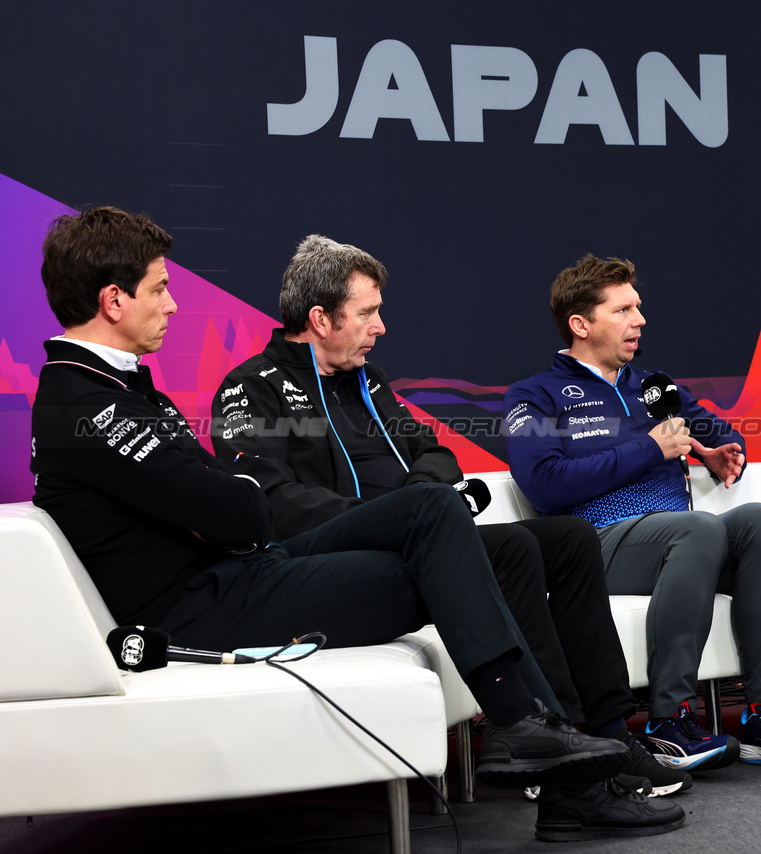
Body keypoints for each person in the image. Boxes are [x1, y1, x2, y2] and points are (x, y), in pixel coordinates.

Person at [30, 207, 683, 841]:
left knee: (461, 525)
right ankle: (545, 748)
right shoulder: (86, 403)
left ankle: (566, 747)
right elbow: (240, 509)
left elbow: (230, 499)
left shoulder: (117, 388)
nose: (172, 303)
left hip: (241, 571)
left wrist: (231, 502)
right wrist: (234, 503)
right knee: (442, 528)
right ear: (114, 300)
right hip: (204, 607)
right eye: (160, 288)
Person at [211, 235, 690, 800]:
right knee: (516, 551)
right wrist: (393, 514)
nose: (381, 326)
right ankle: (557, 742)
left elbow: (435, 453)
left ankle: (608, 733)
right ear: (320, 319)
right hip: (339, 559)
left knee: (567, 538)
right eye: (368, 313)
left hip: (423, 538)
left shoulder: (370, 381)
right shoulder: (251, 387)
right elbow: (270, 500)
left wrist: (421, 495)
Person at [503, 254, 761, 774]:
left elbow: (720, 432)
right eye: (624, 309)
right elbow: (544, 485)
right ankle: (667, 721)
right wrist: (650, 449)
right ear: (581, 324)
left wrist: (720, 452)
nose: (639, 319)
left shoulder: (654, 385)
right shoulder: (536, 394)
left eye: (639, 307)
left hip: (683, 544)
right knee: (695, 530)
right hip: (595, 547)